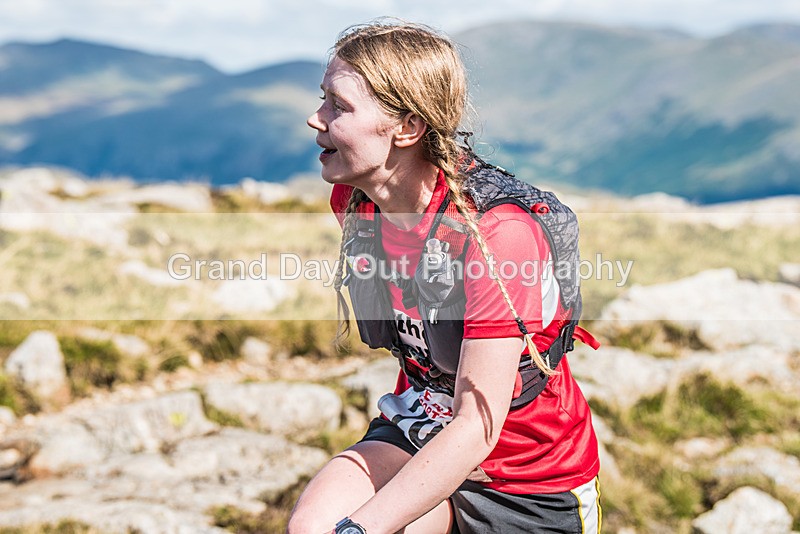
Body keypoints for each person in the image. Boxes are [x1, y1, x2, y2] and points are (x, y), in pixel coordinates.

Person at [289, 20, 601, 534]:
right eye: (321, 99)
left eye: (337, 106)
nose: (314, 118)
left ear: (407, 128)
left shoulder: (498, 234)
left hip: (529, 478)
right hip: (421, 430)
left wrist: (360, 530)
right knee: (313, 525)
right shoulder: (356, 203)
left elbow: (478, 425)